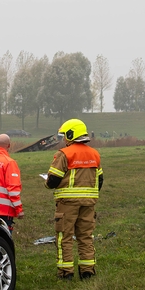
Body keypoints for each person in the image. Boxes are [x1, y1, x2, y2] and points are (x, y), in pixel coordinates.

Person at [44, 118, 103, 280]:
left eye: (65, 135)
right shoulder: (94, 153)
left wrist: (46, 184)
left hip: (67, 203)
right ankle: (87, 271)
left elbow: (53, 180)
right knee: (86, 236)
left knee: (64, 236)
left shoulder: (64, 154)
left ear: (71, 134)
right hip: (89, 203)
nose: (64, 139)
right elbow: (100, 180)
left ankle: (66, 272)